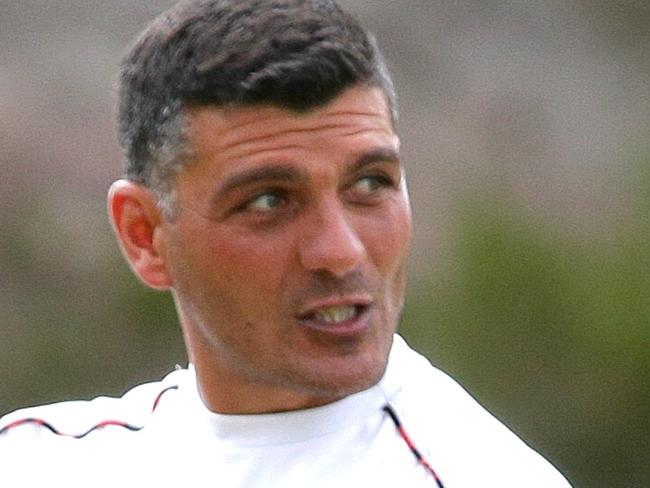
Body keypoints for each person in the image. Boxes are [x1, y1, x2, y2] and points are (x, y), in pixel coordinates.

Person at [0, 1, 571, 486]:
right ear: (144, 236)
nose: (340, 251)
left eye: (370, 184)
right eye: (270, 201)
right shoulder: (36, 463)